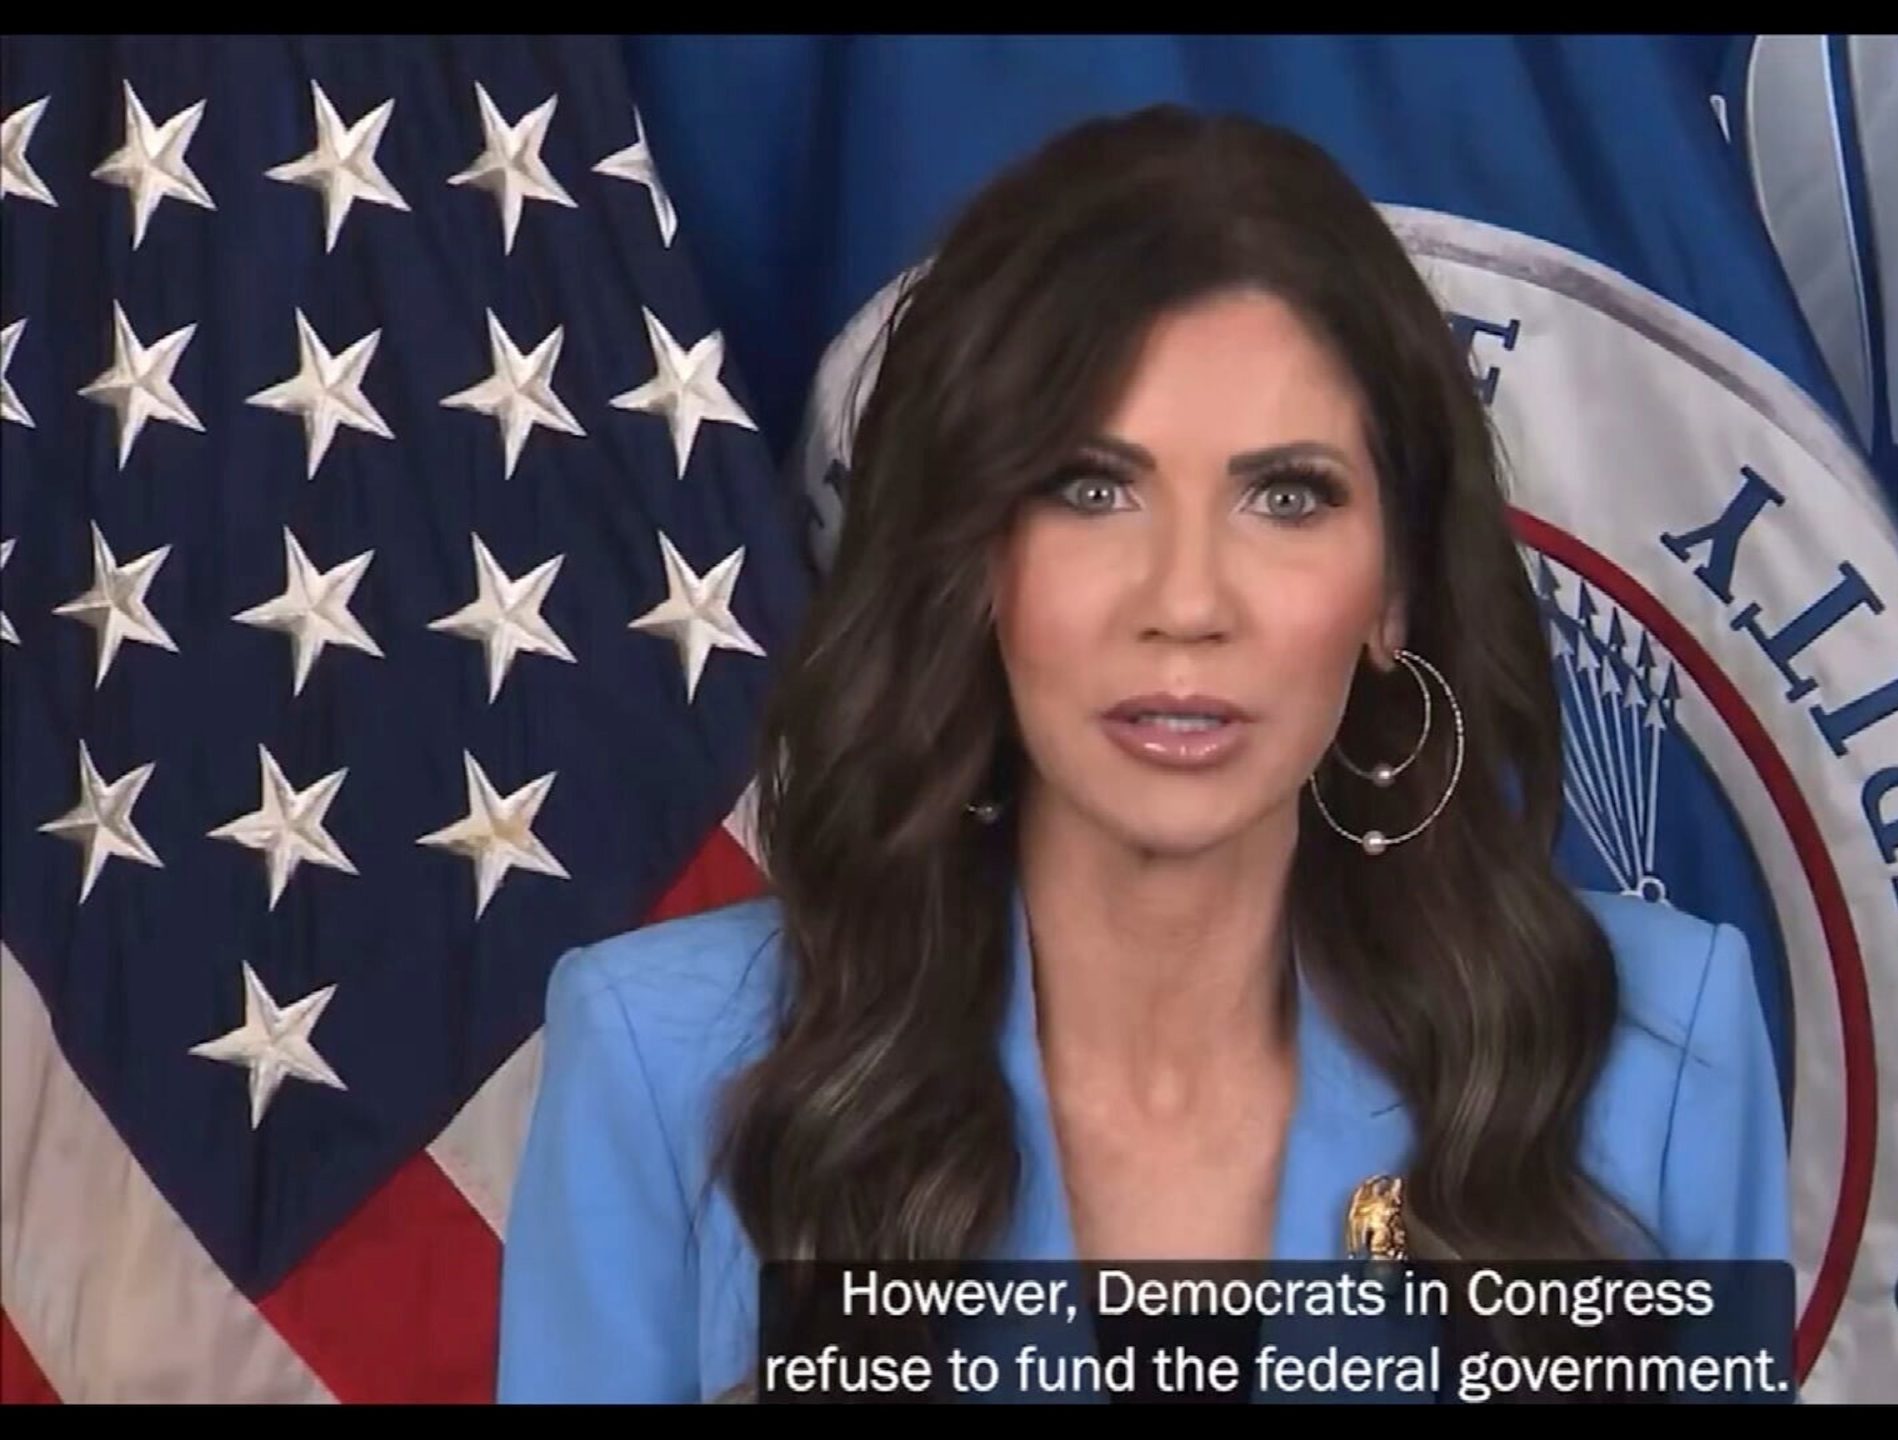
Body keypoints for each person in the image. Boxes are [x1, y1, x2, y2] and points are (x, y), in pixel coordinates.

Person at [494, 103, 1788, 1405]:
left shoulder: (1656, 1056)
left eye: (1286, 496)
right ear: (974, 559)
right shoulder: (661, 1063)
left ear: (1393, 589)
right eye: (1092, 489)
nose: (1186, 600)